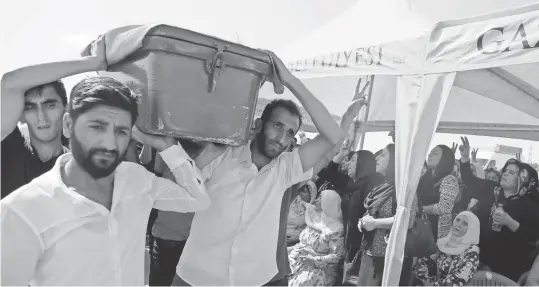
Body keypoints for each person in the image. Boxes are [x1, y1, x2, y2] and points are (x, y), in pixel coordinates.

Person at [0, 76, 211, 286]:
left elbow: (197, 199)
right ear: (67, 125)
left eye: (120, 131)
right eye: (97, 127)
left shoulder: (135, 179)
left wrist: (167, 147)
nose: (110, 144)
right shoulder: (22, 210)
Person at [173, 51, 350, 286]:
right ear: (259, 124)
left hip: (256, 279)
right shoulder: (221, 154)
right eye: (277, 125)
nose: (282, 137)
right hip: (197, 277)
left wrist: (290, 81)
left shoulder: (287, 169)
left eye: (290, 132)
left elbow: (333, 135)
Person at [0, 43, 111, 198]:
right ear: (21, 116)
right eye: (31, 107)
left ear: (66, 109)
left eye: (50, 105)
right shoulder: (7, 149)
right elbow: (9, 82)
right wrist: (93, 63)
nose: (41, 116)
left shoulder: (79, 168)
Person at [458, 137, 539, 281]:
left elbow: (533, 235)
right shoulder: (492, 189)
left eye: (512, 173)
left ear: (523, 180)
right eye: (505, 170)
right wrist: (465, 158)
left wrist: (510, 223)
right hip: (478, 256)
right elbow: (470, 180)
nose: (505, 173)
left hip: (507, 265)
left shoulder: (530, 203)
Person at [356, 144, 418, 286]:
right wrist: (363, 222)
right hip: (369, 252)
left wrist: (376, 223)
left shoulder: (405, 190)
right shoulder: (382, 186)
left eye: (383, 155)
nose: (377, 158)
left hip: (387, 258)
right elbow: (371, 213)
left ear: (395, 161)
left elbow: (406, 220)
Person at [288, 189, 345, 286]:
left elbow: (336, 256)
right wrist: (287, 250)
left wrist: (314, 260)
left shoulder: (335, 229)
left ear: (328, 204)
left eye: (320, 198)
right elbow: (304, 243)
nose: (316, 200)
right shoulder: (316, 220)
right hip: (296, 260)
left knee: (303, 282)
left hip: (316, 267)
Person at [414, 211, 481, 286]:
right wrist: (425, 280)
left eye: (465, 224)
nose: (458, 224)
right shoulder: (444, 242)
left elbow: (459, 279)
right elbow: (423, 260)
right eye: (457, 220)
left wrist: (433, 286)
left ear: (471, 229)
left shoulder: (472, 251)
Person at [417, 145, 459, 239]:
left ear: (445, 159)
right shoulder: (424, 177)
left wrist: (419, 209)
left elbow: (444, 208)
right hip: (419, 227)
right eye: (430, 152)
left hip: (435, 231)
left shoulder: (449, 180)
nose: (430, 155)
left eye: (435, 153)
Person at [286, 181, 318, 246]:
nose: (301, 194)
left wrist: (298, 238)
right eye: (300, 191)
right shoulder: (293, 202)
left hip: (297, 240)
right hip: (284, 236)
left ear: (311, 193)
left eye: (304, 192)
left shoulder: (315, 209)